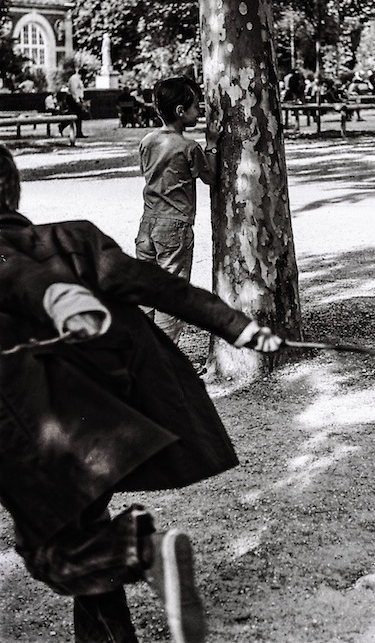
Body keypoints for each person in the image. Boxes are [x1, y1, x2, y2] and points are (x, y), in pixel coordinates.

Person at [0, 142, 281, 643]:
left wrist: (60, 299)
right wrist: (238, 326)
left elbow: (21, 278)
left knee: (52, 553)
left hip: (31, 431)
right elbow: (158, 286)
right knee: (86, 527)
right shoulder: (72, 237)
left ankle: (144, 551)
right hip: (103, 416)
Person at [136, 76, 219, 344]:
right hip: (175, 227)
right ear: (181, 111)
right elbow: (211, 177)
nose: (200, 111)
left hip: (148, 224)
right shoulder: (189, 147)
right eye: (196, 106)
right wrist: (212, 145)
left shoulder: (148, 141)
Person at [65, 68, 86, 138]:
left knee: (77, 114)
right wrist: (77, 101)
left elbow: (80, 90)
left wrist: (81, 99)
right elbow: (74, 91)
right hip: (71, 98)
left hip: (76, 98)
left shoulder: (79, 80)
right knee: (76, 114)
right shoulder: (74, 79)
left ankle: (78, 132)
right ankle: (78, 132)